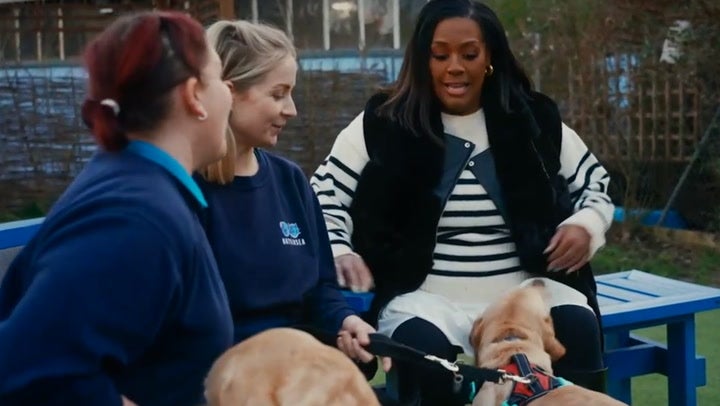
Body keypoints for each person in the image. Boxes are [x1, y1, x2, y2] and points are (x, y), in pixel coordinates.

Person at [311, 0, 615, 404]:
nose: (454, 67)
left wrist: (588, 223)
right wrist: (339, 250)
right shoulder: (383, 123)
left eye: (469, 54)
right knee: (421, 350)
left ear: (489, 57)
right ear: (423, 59)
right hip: (426, 298)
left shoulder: (533, 119)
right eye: (440, 55)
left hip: (524, 295)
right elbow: (322, 194)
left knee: (577, 325)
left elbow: (596, 183)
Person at [0, 11, 233, 406]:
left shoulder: (141, 190)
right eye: (220, 77)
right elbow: (33, 375)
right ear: (193, 94)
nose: (230, 90)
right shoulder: (135, 218)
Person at [197, 20, 387, 373]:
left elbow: (321, 291)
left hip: (301, 369)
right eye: (277, 94)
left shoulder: (291, 182)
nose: (292, 109)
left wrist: (346, 323)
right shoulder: (188, 193)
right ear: (229, 92)